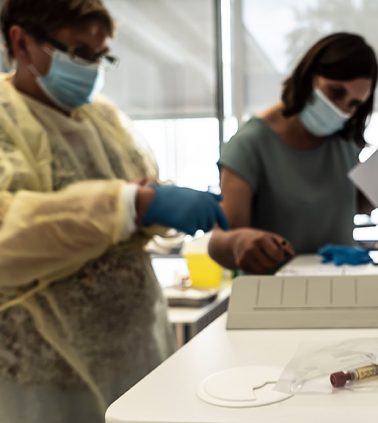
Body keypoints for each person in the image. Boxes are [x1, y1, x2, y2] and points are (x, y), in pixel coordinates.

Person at [0, 1, 228, 422]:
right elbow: (8, 235)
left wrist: (158, 203)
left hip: (135, 347)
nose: (92, 69)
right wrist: (127, 204)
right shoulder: (5, 119)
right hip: (43, 369)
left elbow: (138, 188)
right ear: (21, 40)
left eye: (102, 56)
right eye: (80, 53)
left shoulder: (101, 117)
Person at [209, 32, 378, 274]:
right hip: (276, 298)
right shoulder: (250, 145)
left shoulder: (344, 141)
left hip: (340, 289)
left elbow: (351, 205)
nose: (342, 109)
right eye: (336, 92)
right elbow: (218, 241)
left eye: (354, 104)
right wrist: (238, 242)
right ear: (309, 76)